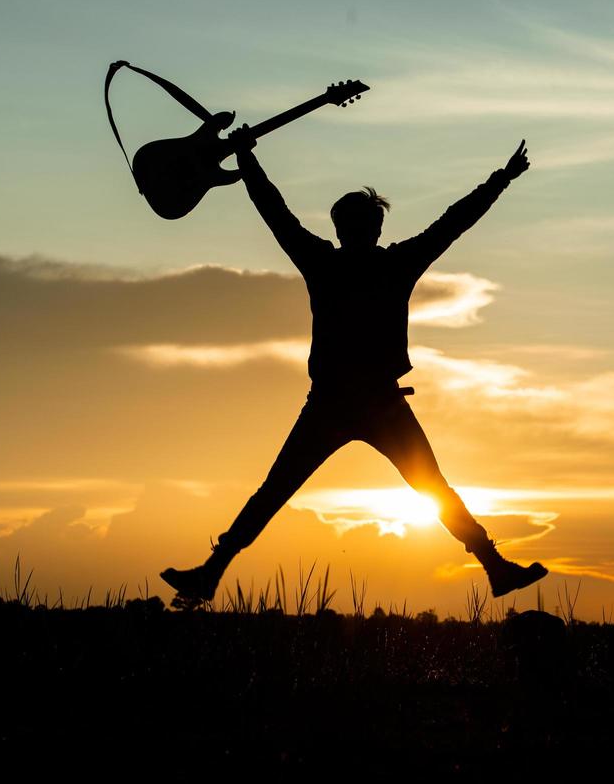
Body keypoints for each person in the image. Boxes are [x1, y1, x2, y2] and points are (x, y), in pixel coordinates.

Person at [159, 130, 548, 608]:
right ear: (358, 228)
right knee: (295, 490)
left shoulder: (335, 261)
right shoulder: (377, 262)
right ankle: (496, 567)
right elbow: (450, 223)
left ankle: (496, 567)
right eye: (357, 224)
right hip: (344, 403)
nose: (361, 232)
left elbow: (277, 213)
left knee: (289, 491)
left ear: (356, 229)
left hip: (366, 403)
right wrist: (502, 179)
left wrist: (501, 179)